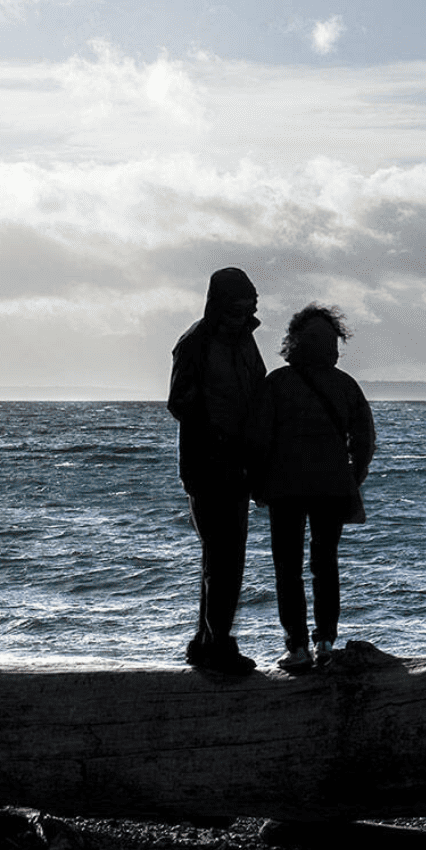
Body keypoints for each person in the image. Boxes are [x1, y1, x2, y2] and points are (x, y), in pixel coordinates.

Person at [245, 304, 376, 671]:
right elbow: (364, 439)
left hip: (285, 488)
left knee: (288, 568)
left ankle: (297, 647)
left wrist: (257, 483)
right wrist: (354, 477)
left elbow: (258, 440)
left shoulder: (277, 383)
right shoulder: (345, 385)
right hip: (333, 488)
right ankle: (325, 643)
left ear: (294, 343)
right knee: (325, 566)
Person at [166, 267, 268, 674]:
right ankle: (218, 645)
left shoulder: (245, 340)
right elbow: (179, 403)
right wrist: (219, 433)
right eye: (237, 305)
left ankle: (206, 641)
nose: (245, 313)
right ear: (217, 303)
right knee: (223, 556)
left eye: (250, 305)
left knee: (224, 557)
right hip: (207, 465)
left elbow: (257, 389)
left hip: (240, 465)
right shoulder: (194, 343)